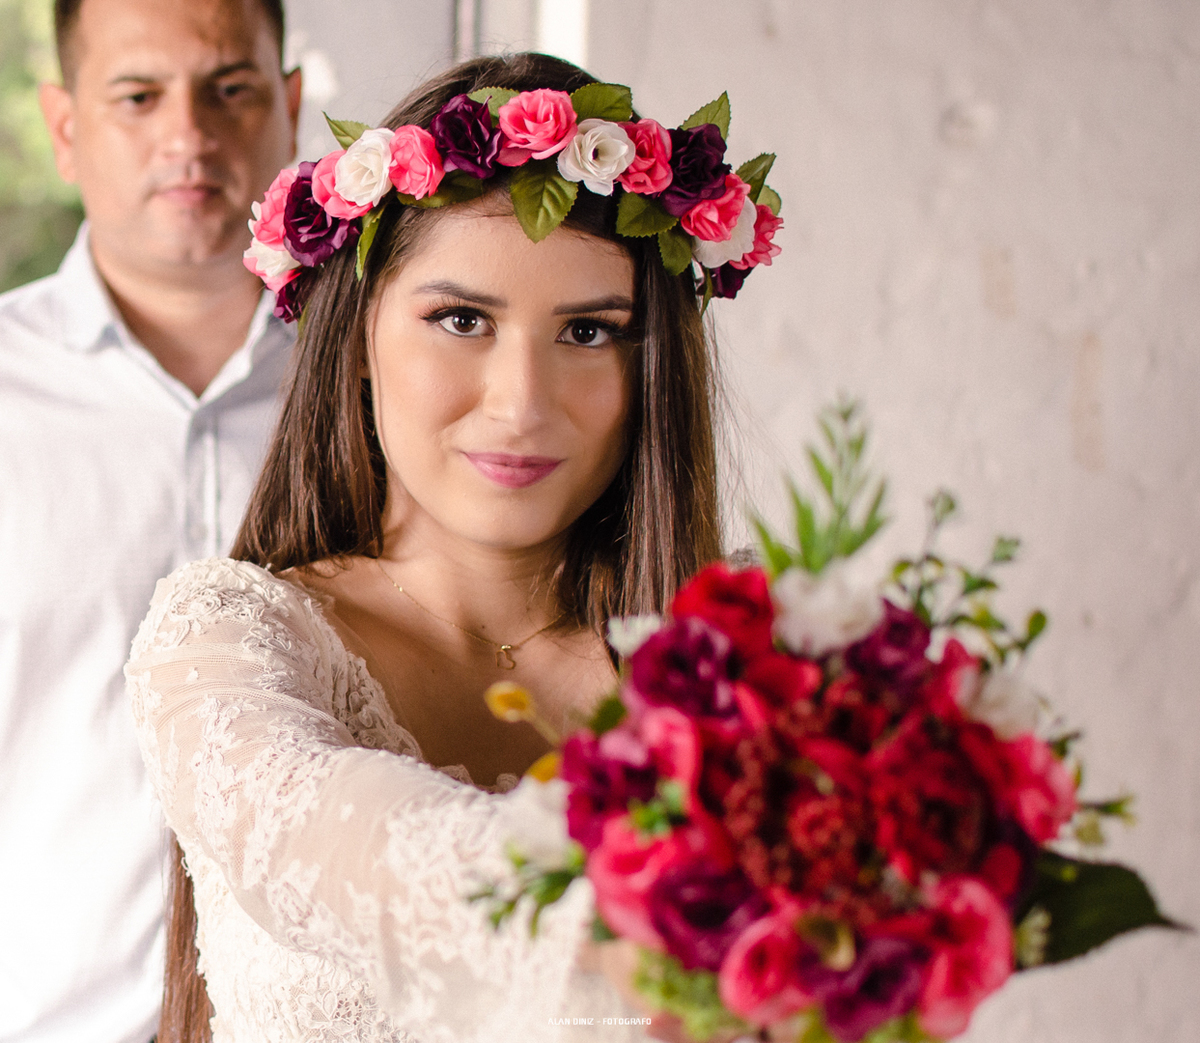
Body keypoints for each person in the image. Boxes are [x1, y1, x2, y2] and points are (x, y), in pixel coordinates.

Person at [125, 51, 782, 1042]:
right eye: (462, 319)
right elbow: (327, 840)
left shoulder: (747, 674)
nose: (520, 404)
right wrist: (648, 911)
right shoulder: (226, 640)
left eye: (588, 332)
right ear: (356, 337)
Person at [0, 0, 300, 1039]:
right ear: (65, 127)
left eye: (230, 89)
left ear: (291, 106)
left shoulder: (386, 385)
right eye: (138, 96)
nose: (189, 135)